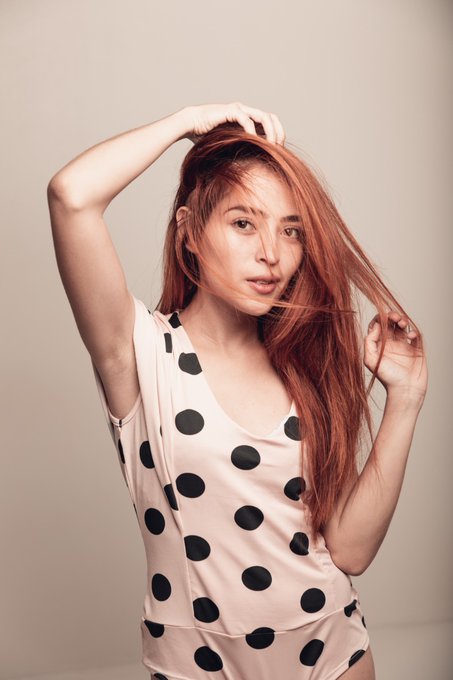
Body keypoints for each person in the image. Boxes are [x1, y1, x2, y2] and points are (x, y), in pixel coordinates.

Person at [47, 102, 428, 680]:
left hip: (333, 655)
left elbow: (350, 551)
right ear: (189, 232)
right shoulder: (140, 353)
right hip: (198, 666)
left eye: (290, 230)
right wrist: (185, 122)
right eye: (243, 223)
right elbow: (71, 195)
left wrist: (406, 396)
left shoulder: (306, 366)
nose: (271, 254)